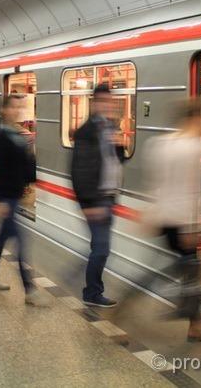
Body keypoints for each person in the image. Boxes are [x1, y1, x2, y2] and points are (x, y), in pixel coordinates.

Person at [143, 99, 201, 342]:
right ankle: (196, 324)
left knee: (189, 268)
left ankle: (195, 321)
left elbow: (157, 183)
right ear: (196, 119)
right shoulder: (199, 147)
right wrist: (194, 226)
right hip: (183, 220)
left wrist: (153, 212)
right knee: (192, 270)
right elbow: (195, 189)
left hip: (165, 216)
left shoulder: (159, 143)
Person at [0, 95, 49, 306]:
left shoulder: (18, 134)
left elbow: (27, 164)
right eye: (13, 107)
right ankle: (30, 290)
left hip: (15, 195)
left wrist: (36, 182)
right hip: (6, 197)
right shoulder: (1, 136)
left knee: (1, 239)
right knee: (21, 242)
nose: (17, 110)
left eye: (20, 107)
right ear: (4, 110)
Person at [71, 84, 125, 308]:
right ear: (94, 103)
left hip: (109, 196)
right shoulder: (86, 131)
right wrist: (88, 203)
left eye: (110, 101)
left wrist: (121, 147)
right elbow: (79, 169)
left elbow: (117, 160)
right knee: (101, 248)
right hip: (96, 199)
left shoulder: (110, 127)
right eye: (103, 101)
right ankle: (92, 292)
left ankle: (92, 289)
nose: (107, 105)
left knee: (101, 248)